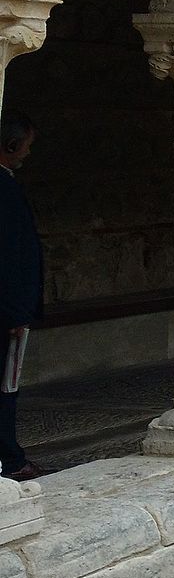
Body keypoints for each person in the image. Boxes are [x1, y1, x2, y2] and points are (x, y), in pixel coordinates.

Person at [0, 113, 42, 480]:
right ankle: (9, 459)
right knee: (5, 387)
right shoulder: (4, 188)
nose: (28, 152)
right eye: (26, 145)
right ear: (11, 146)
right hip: (7, 313)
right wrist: (15, 312)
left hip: (11, 308)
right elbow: (9, 255)